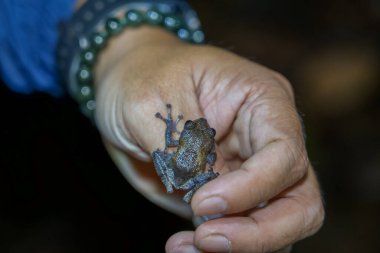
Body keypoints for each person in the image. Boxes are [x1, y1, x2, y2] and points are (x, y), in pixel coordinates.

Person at [0, 0, 324, 252]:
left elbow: (177, 142)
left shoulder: (192, 143)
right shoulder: (204, 152)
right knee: (200, 174)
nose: (204, 127)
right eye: (203, 129)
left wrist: (131, 52)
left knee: (181, 159)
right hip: (185, 173)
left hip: (179, 168)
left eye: (205, 130)